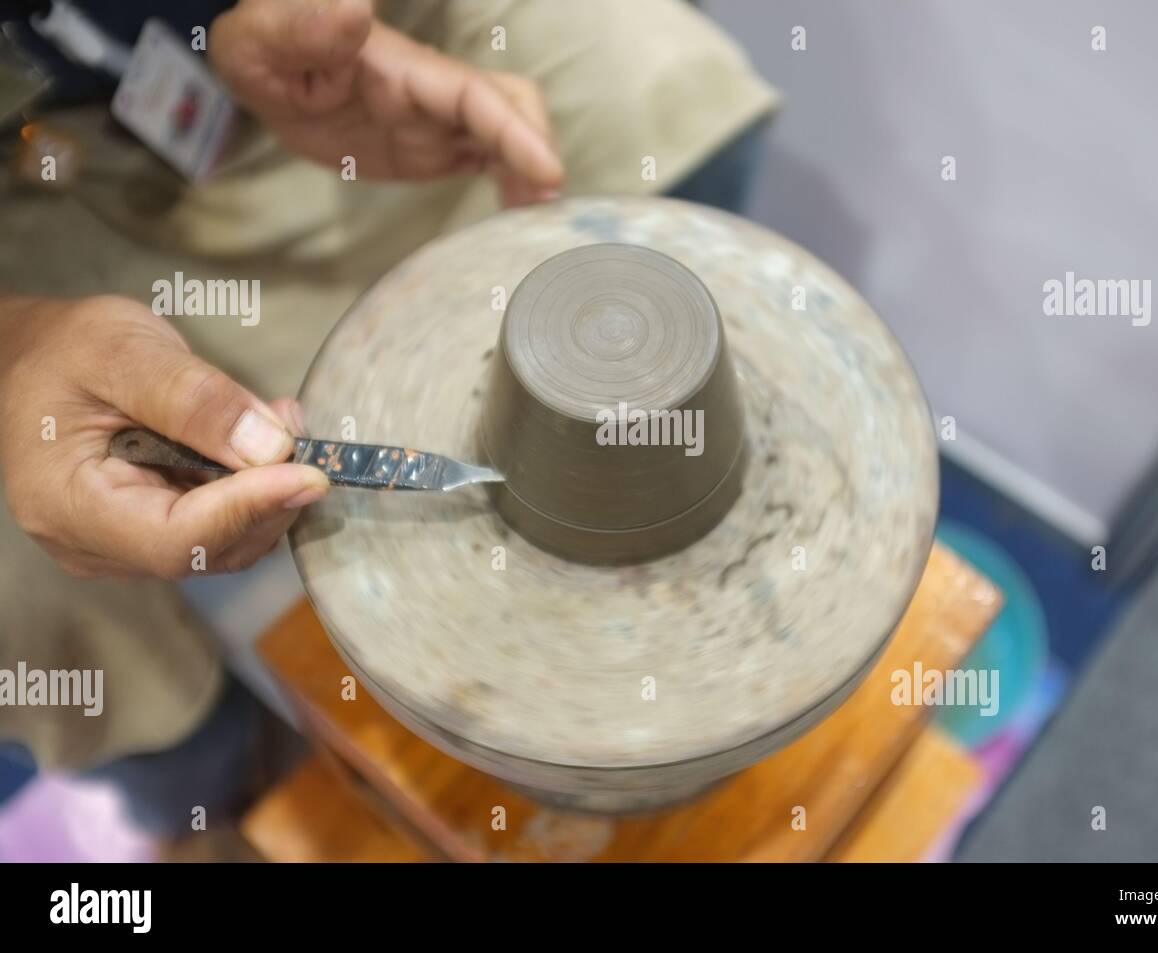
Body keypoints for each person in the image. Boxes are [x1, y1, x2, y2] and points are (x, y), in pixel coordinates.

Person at [0, 0, 777, 831]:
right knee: (23, 600)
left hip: (285, 58)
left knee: (654, 83)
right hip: (37, 174)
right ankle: (220, 796)